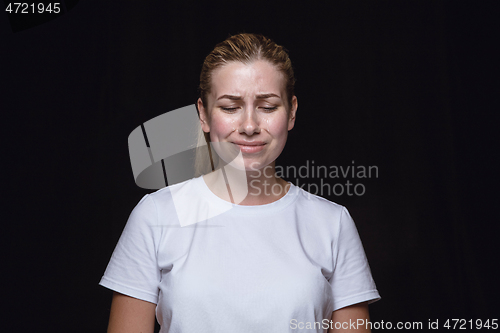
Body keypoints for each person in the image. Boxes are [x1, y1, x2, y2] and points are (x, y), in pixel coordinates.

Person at [100, 33, 380, 333]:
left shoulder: (332, 223)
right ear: (203, 115)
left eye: (268, 107)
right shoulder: (155, 215)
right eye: (230, 107)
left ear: (292, 112)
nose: (249, 126)